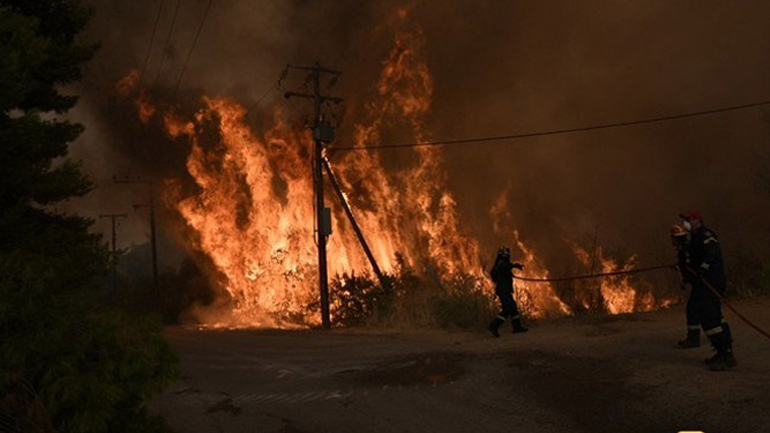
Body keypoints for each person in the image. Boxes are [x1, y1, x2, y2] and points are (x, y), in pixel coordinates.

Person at [680, 211, 736, 371]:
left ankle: (726, 355)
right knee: (710, 316)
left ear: (698, 221)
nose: (686, 223)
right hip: (702, 284)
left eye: (689, 220)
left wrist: (703, 270)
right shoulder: (694, 238)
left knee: (711, 318)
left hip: (711, 283)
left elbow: (711, 255)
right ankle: (722, 352)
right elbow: (691, 260)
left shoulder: (706, 235)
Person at [671, 223, 701, 348]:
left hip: (703, 284)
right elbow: (685, 264)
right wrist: (679, 267)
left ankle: (694, 339)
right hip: (699, 282)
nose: (672, 241)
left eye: (673, 238)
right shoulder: (685, 248)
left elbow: (691, 265)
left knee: (693, 309)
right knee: (696, 309)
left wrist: (687, 279)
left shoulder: (686, 249)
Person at [487, 247, 528, 337]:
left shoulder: (499, 264)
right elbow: (505, 266)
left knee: (513, 307)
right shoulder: (501, 263)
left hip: (505, 290)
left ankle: (517, 326)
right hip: (503, 290)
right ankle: (494, 325)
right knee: (507, 308)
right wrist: (515, 265)